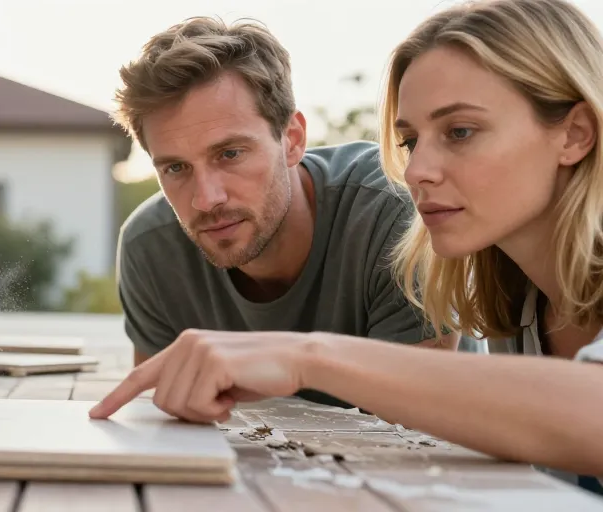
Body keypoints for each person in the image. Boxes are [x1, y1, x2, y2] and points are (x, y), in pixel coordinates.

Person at [92, 0, 603, 490]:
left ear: (576, 133)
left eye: (461, 131)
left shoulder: (393, 218)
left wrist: (305, 357)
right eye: (410, 141)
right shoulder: (515, 293)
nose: (416, 171)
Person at [109, 16, 461, 409]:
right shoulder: (151, 246)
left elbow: (418, 419)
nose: (206, 200)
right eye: (176, 168)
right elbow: (167, 419)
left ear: (292, 140)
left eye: (230, 154)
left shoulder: (398, 212)